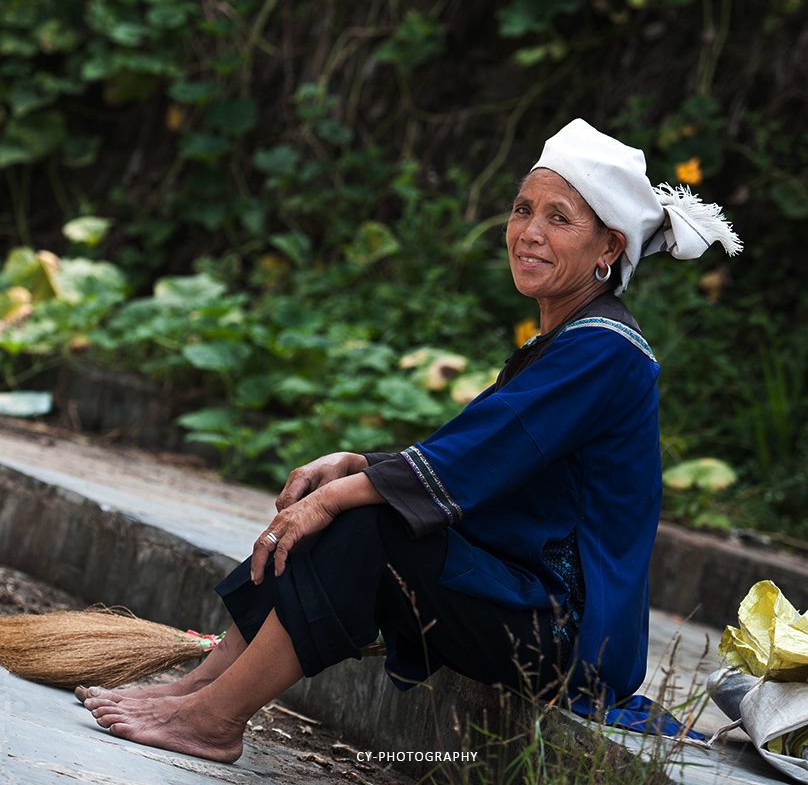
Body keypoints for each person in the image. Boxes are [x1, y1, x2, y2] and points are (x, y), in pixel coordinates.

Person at [77, 119, 742, 762]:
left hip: (567, 636)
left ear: (609, 249)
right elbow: (479, 452)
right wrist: (356, 466)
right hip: (517, 594)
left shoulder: (607, 351)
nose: (528, 233)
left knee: (365, 521)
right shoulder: (567, 342)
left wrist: (344, 494)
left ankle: (214, 719)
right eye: (522, 209)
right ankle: (199, 692)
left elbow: (477, 458)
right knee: (358, 500)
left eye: (558, 218)